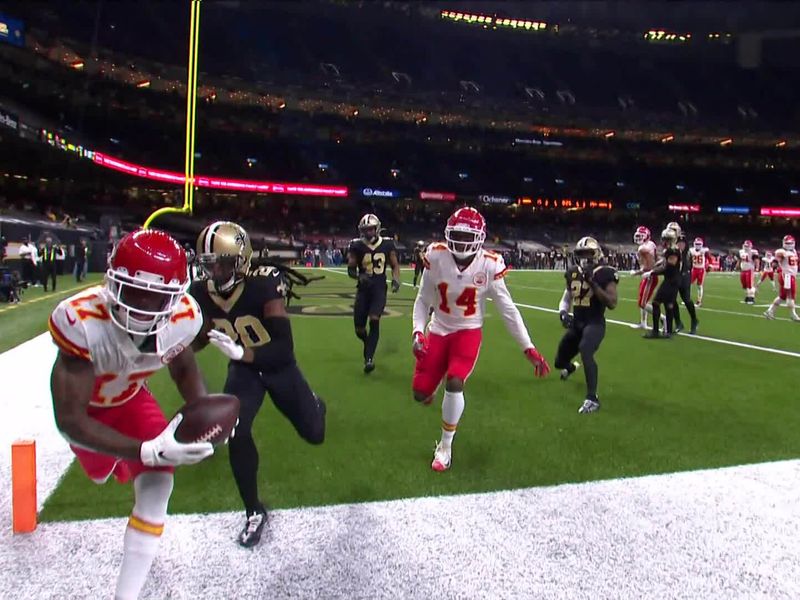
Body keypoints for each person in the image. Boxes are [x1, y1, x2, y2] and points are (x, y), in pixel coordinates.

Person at [49, 229, 216, 600]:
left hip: (131, 399)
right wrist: (143, 450)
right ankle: (116, 462)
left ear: (176, 295)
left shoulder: (183, 317)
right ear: (111, 283)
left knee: (159, 483)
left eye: (159, 296)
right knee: (105, 472)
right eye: (135, 291)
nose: (145, 305)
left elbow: (184, 367)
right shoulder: (81, 321)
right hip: (89, 411)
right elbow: (70, 421)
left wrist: (203, 413)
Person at [191, 221, 326, 547]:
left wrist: (241, 351)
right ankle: (254, 510)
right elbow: (196, 339)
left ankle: (317, 405)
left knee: (315, 434)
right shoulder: (200, 291)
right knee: (236, 429)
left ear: (242, 259)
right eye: (210, 264)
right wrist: (176, 339)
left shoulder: (264, 284)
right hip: (244, 372)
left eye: (224, 263)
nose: (217, 272)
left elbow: (283, 347)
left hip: (277, 366)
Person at [411, 207, 550, 471]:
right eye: (458, 235)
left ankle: (445, 447)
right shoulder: (437, 256)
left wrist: (528, 348)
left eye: (468, 236)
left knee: (455, 381)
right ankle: (432, 382)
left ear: (479, 237)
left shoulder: (489, 263)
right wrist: (417, 331)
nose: (462, 242)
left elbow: (508, 310)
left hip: (468, 331)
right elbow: (422, 300)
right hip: (438, 329)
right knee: (420, 394)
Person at [554, 236, 618, 414]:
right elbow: (566, 298)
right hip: (577, 323)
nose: (584, 258)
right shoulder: (573, 272)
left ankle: (592, 398)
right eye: (581, 254)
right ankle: (571, 367)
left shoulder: (604, 273)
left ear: (596, 254)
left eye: (588, 254)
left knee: (585, 350)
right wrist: (563, 313)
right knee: (559, 362)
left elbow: (612, 303)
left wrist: (593, 283)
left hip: (595, 322)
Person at [347, 213, 401, 373]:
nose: (368, 232)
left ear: (376, 229)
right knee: (359, 329)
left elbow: (395, 265)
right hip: (363, 290)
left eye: (371, 229)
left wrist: (396, 279)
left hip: (378, 287)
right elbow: (350, 269)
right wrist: (358, 275)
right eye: (365, 230)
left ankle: (369, 359)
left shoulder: (387, 244)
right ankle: (368, 342)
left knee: (374, 319)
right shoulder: (356, 245)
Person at [643, 227, 682, 339]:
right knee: (667, 305)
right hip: (672, 280)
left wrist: (652, 272)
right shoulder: (672, 250)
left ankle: (658, 331)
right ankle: (667, 331)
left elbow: (669, 267)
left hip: (671, 281)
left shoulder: (673, 250)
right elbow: (666, 264)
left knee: (658, 303)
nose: (663, 242)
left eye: (665, 239)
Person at [764, 235, 799, 321]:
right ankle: (793, 315)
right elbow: (775, 262)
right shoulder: (781, 251)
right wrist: (778, 261)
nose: (789, 245)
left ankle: (770, 311)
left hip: (790, 275)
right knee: (790, 296)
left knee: (782, 296)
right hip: (787, 276)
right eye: (787, 243)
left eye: (790, 243)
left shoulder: (794, 251)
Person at [630, 226, 658, 329]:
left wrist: (636, 273)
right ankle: (643, 323)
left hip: (649, 276)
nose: (638, 238)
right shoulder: (651, 245)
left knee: (643, 303)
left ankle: (663, 318)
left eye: (641, 236)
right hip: (649, 276)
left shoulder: (644, 248)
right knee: (643, 300)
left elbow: (648, 267)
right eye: (637, 236)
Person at [672, 230, 699, 334]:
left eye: (682, 243)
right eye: (679, 243)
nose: (681, 245)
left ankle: (694, 319)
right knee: (672, 300)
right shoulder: (674, 251)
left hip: (684, 276)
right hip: (675, 277)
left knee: (686, 299)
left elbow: (688, 266)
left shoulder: (687, 254)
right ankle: (678, 323)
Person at [736, 240, 759, 304]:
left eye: (747, 246)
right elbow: (739, 260)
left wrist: (757, 268)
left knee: (750, 285)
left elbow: (757, 261)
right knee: (744, 285)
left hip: (750, 269)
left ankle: (751, 298)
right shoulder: (741, 251)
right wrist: (737, 266)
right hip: (743, 270)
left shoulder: (753, 252)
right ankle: (748, 296)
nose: (746, 247)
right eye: (745, 246)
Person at [689, 237, 710, 306]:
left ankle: (699, 301)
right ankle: (687, 298)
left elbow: (709, 257)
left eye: (699, 244)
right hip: (694, 269)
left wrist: (709, 265)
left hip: (701, 270)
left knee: (699, 285)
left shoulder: (704, 250)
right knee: (688, 284)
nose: (697, 245)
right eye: (696, 244)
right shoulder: (691, 250)